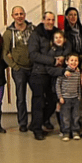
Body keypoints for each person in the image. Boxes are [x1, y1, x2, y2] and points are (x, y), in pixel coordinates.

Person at [28, 12, 66, 140]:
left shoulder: (57, 33)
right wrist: (53, 61)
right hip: (39, 73)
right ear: (43, 20)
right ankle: (37, 129)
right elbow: (33, 55)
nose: (50, 22)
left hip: (53, 74)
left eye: (52, 19)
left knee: (53, 100)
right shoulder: (35, 34)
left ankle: (36, 123)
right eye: (48, 19)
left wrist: (63, 57)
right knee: (38, 102)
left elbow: (65, 45)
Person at [2, 6, 35, 132]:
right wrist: (14, 67)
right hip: (19, 70)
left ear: (25, 14)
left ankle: (37, 121)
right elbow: (5, 53)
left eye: (21, 13)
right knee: (21, 97)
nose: (19, 16)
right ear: (12, 16)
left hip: (33, 68)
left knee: (38, 95)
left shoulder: (33, 30)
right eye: (16, 14)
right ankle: (22, 123)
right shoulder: (8, 33)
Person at [46, 30, 72, 132]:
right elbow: (50, 70)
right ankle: (62, 127)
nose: (58, 39)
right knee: (59, 104)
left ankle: (68, 125)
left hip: (68, 82)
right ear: (53, 40)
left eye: (60, 37)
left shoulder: (67, 50)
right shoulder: (51, 52)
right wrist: (62, 71)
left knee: (67, 104)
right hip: (56, 82)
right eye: (56, 38)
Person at [56, 53, 81, 141]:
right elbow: (58, 85)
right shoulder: (63, 72)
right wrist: (60, 97)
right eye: (72, 60)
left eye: (76, 60)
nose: (74, 62)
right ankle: (66, 132)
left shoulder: (78, 73)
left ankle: (75, 131)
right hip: (65, 98)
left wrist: (79, 96)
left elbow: (79, 85)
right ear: (67, 62)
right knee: (66, 116)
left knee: (75, 116)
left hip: (75, 98)